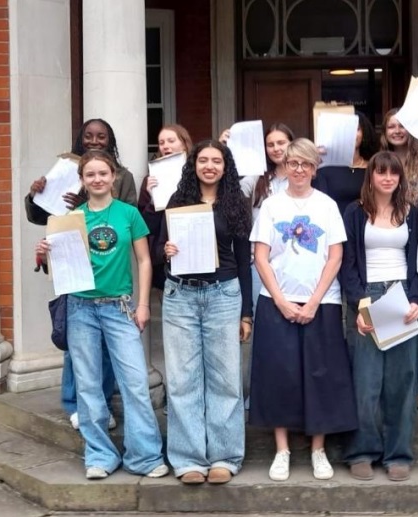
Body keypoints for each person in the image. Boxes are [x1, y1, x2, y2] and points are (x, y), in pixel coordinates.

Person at [35, 150, 167, 480]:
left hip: (119, 307)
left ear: (113, 177)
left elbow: (144, 261)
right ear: (82, 180)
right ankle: (100, 455)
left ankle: (145, 456)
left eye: (103, 173)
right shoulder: (70, 218)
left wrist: (143, 304)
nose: (97, 179)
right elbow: (61, 269)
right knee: (89, 385)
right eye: (90, 174)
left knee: (135, 382)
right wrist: (44, 255)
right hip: (81, 308)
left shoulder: (128, 213)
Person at [249, 138, 358, 482]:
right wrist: (281, 300)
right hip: (275, 301)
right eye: (293, 163)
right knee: (279, 374)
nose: (299, 170)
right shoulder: (271, 206)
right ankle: (282, 450)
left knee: (321, 374)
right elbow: (261, 257)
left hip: (321, 303)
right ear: (285, 166)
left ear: (314, 169)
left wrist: (312, 302)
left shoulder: (327, 205)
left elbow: (335, 257)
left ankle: (317, 450)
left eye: (306, 164)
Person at [26, 118, 138, 431]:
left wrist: (87, 203)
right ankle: (74, 403)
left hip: (108, 270)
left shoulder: (123, 176)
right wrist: (35, 194)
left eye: (101, 136)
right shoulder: (65, 171)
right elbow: (41, 215)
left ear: (110, 140)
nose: (94, 140)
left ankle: (102, 404)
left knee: (105, 348)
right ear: (80, 138)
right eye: (88, 135)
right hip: (72, 267)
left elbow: (128, 217)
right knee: (75, 344)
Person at [157, 140, 252, 485]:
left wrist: (246, 313)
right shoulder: (178, 201)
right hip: (180, 295)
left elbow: (243, 261)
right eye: (203, 160)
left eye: (216, 161)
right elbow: (157, 247)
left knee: (225, 379)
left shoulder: (236, 203)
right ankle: (189, 460)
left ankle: (225, 456)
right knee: (182, 379)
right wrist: (166, 250)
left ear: (226, 167)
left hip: (223, 294)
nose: (209, 166)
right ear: (193, 165)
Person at [341, 151, 418, 482]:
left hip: (401, 296)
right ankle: (362, 451)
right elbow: (347, 263)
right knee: (366, 379)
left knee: (402, 380)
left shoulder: (411, 213)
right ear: (371, 176)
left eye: (394, 173)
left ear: (400, 177)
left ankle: (398, 454)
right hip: (368, 295)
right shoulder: (354, 212)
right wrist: (359, 304)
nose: (388, 178)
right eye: (381, 172)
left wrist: (417, 299)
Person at [380, 108, 418, 409]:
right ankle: (391, 385)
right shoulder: (380, 160)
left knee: (417, 308)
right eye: (392, 126)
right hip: (388, 234)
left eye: (402, 125)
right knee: (392, 310)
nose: (397, 131)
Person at [240, 123, 295, 314]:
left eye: (281, 143)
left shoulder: (302, 175)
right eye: (270, 145)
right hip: (261, 262)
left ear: (292, 143)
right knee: (262, 318)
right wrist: (226, 150)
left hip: (294, 259)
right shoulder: (257, 177)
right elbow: (230, 192)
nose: (276, 148)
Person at [138, 124, 193, 290]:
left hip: (194, 252)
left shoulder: (198, 175)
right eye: (161, 143)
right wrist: (153, 200)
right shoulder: (151, 179)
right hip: (163, 258)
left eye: (171, 141)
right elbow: (145, 227)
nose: (165, 146)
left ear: (184, 144)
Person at [313, 111, 379, 216]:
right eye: (347, 129)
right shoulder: (323, 168)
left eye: (357, 129)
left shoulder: (374, 168)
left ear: (364, 133)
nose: (351, 133)